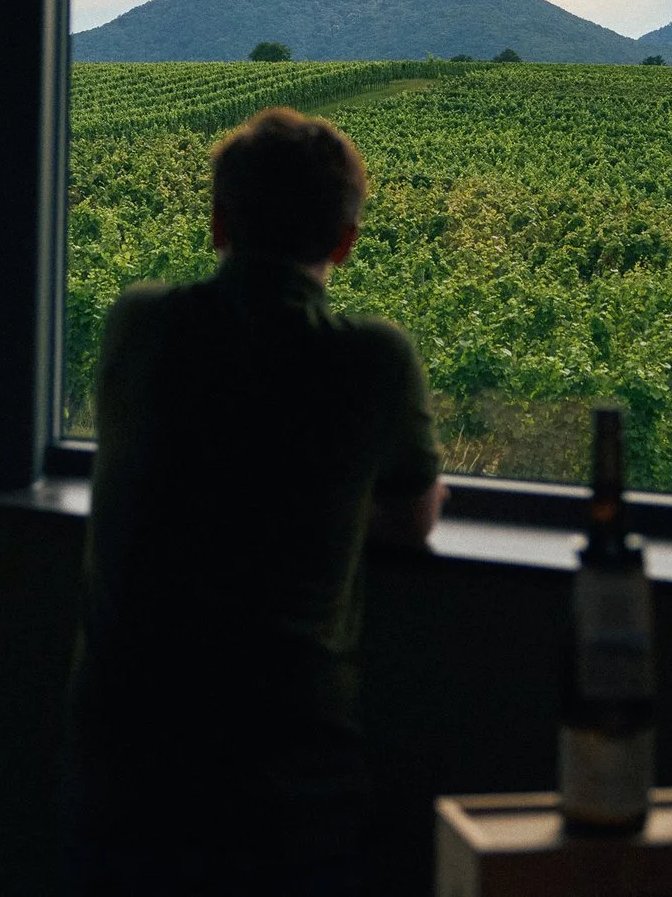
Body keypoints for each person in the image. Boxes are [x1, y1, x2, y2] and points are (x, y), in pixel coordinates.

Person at [64, 106, 446, 896]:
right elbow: (411, 519)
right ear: (345, 241)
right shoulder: (371, 357)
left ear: (217, 222)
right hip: (288, 775)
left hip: (120, 763)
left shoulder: (140, 323)